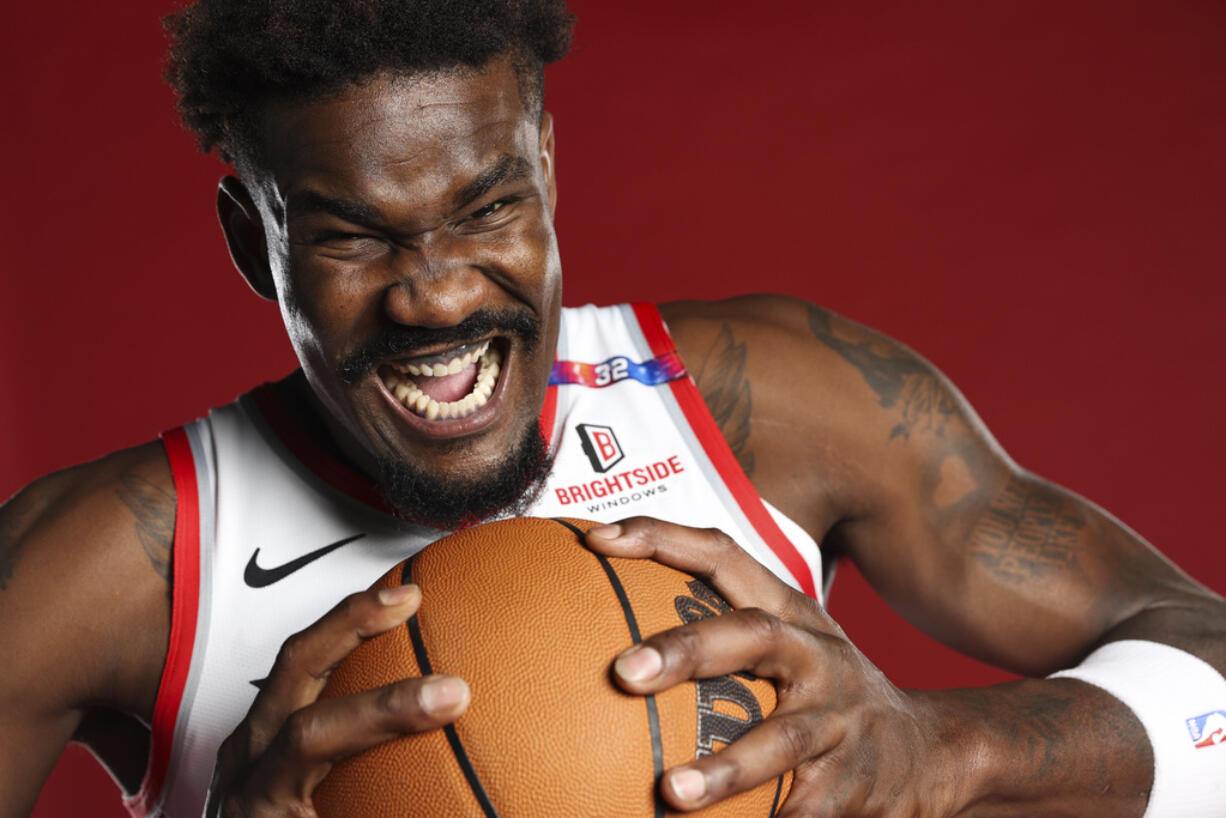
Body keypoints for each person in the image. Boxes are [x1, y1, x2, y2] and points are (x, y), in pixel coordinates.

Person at [4, 1, 1225, 816]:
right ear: (249, 240)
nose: (434, 296)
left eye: (487, 209)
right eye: (353, 236)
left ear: (546, 168)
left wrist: (947, 747)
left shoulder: (771, 401)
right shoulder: (111, 566)